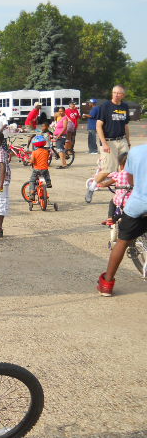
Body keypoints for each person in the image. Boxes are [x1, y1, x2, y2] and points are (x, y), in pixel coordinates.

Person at [97, 144, 147, 297]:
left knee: (122, 241)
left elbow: (131, 180)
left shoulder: (136, 152)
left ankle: (107, 284)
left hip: (139, 205)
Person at [86, 86, 131, 204]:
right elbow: (98, 125)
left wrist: (128, 141)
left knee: (127, 166)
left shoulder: (124, 106)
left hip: (122, 140)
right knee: (108, 169)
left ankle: (124, 188)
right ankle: (92, 187)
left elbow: (126, 126)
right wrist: (104, 143)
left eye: (119, 93)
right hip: (109, 141)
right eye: (114, 93)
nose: (116, 95)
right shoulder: (105, 106)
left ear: (123, 95)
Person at [98, 152, 131, 226]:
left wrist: (101, 184)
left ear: (121, 165)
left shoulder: (119, 175)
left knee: (112, 202)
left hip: (121, 200)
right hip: (133, 199)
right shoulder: (136, 174)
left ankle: (110, 218)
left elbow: (107, 183)